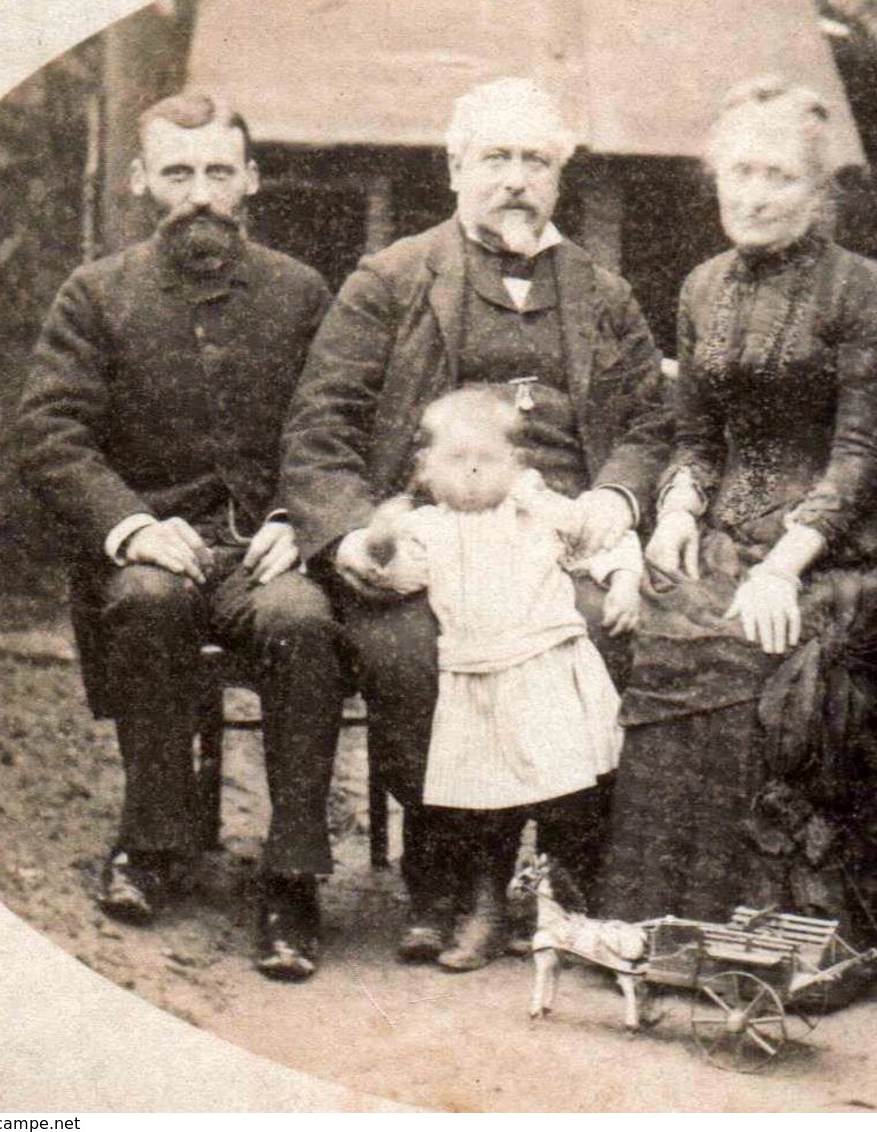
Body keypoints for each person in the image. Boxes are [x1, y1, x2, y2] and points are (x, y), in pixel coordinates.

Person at [280, 77, 669, 970]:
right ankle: (447, 876)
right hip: (433, 535)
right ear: (455, 167)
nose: (516, 179)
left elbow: (650, 424)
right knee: (412, 652)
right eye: (496, 157)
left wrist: (616, 498)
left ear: (560, 177)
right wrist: (351, 541)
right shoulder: (391, 279)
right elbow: (320, 426)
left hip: (559, 531)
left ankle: (575, 875)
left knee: (601, 635)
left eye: (536, 160)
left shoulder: (602, 293)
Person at [15, 93, 344, 982]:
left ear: (251, 180)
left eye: (217, 173)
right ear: (140, 182)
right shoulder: (95, 295)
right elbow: (52, 432)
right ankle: (154, 842)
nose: (199, 196)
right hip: (154, 544)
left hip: (267, 546)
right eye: (177, 174)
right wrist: (128, 524)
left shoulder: (302, 292)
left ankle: (292, 875)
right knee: (148, 603)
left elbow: (336, 426)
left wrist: (299, 521)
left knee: (303, 624)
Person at [598, 78, 877, 942]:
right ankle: (657, 914)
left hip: (836, 548)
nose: (752, 194)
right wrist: (674, 514)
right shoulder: (701, 286)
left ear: (819, 193)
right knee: (642, 626)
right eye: (739, 172)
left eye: (778, 176)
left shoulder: (861, 288)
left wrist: (786, 563)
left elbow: (860, 453)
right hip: (721, 535)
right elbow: (698, 437)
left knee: (755, 648)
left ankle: (771, 924)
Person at [361, 386, 642, 967]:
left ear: (516, 467)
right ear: (425, 471)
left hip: (544, 671)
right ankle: (485, 907)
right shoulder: (429, 527)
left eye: (486, 460)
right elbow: (390, 576)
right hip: (477, 680)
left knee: (565, 791)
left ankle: (562, 909)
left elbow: (599, 539)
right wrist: (381, 538)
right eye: (453, 461)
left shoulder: (535, 512)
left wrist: (623, 581)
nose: (469, 473)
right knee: (482, 801)